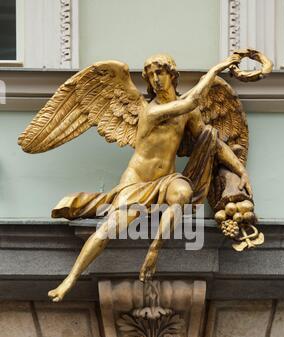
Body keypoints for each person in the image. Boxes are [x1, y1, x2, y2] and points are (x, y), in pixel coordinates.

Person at [46, 53, 252, 302]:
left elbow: (214, 143)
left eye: (161, 72)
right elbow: (194, 99)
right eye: (151, 74)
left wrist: (241, 171)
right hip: (137, 182)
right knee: (110, 229)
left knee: (182, 193)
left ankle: (154, 249)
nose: (156, 79)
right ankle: (70, 279)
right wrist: (219, 67)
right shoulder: (149, 110)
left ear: (172, 75)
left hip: (166, 180)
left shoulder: (189, 115)